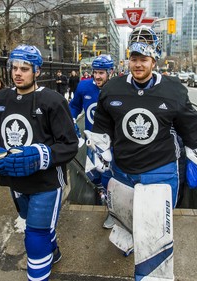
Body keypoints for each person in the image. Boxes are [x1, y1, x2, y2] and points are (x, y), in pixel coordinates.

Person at [87, 26, 197, 280]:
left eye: (143, 59)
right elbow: (102, 127)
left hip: (160, 171)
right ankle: (132, 239)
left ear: (154, 60)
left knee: (154, 240)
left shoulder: (172, 90)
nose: (138, 64)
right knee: (127, 223)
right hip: (123, 172)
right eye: (134, 58)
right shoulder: (112, 88)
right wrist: (98, 152)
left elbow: (191, 127)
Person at [0, 45, 78, 281]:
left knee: (35, 234)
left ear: (36, 70)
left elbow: (69, 144)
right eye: (14, 68)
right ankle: (52, 251)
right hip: (15, 180)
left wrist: (41, 155)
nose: (18, 73)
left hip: (46, 182)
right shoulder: (0, 99)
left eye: (24, 68)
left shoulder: (52, 101)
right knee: (34, 224)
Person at [69, 54, 115, 228]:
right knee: (93, 174)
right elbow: (74, 106)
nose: (97, 76)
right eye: (95, 72)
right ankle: (104, 196)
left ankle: (113, 212)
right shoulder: (84, 86)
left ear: (110, 72)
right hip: (92, 141)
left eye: (101, 73)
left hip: (112, 142)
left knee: (109, 178)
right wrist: (70, 120)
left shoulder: (117, 88)